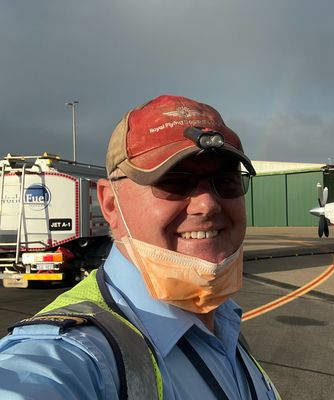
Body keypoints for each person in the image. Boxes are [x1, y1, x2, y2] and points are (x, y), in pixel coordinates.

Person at [0, 95, 280, 400]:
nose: (208, 204)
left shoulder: (223, 321)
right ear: (109, 204)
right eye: (174, 181)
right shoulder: (79, 355)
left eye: (225, 181)